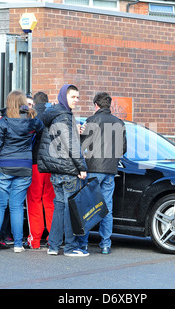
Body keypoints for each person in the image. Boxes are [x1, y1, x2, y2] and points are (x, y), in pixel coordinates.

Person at [0, 90, 44, 253]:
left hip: (4, 166)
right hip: (24, 166)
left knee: (0, 205)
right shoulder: (32, 122)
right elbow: (41, 130)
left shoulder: (4, 122)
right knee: (16, 206)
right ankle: (17, 244)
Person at [37, 84, 88, 257]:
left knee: (59, 208)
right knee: (69, 209)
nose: (76, 100)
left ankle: (53, 246)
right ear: (64, 97)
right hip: (68, 170)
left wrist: (76, 131)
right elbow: (71, 145)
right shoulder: (64, 116)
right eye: (73, 97)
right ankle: (70, 247)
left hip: (56, 170)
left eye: (78, 97)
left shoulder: (54, 114)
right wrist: (81, 167)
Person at [78, 92, 127, 254]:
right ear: (109, 105)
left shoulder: (92, 121)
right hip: (110, 171)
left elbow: (82, 146)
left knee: (89, 205)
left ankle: (83, 243)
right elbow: (123, 149)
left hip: (92, 169)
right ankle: (105, 244)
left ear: (96, 105)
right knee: (107, 207)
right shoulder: (119, 123)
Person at [25, 92, 55, 250]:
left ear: (34, 103)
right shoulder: (55, 115)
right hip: (52, 165)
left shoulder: (33, 116)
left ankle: (35, 240)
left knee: (34, 201)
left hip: (35, 163)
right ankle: (52, 238)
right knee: (50, 202)